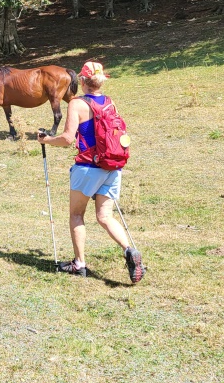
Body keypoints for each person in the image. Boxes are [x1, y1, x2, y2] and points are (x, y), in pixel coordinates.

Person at [37, 61, 144, 283]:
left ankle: (79, 264)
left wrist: (46, 139)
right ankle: (128, 250)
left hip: (87, 168)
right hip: (112, 166)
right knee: (105, 216)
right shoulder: (110, 102)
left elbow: (67, 139)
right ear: (101, 81)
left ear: (83, 81)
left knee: (77, 215)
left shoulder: (77, 104)